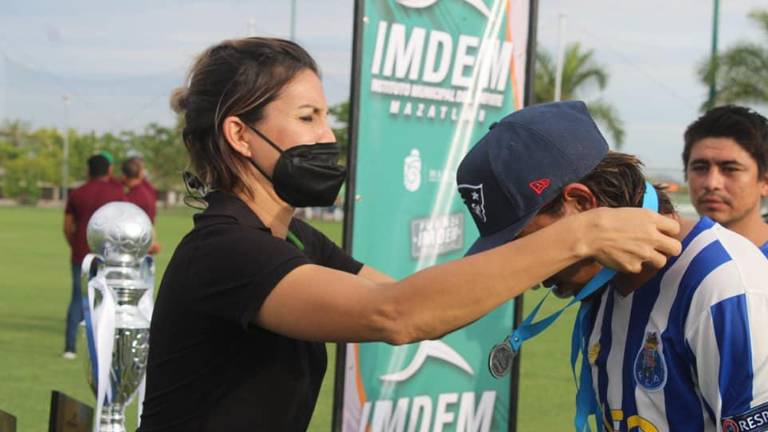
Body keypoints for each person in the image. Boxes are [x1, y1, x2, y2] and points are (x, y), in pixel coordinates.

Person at [137, 38, 681, 431]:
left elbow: (424, 301)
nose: (328, 136)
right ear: (239, 133)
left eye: (327, 117)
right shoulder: (225, 251)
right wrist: (579, 236)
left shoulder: (295, 240)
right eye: (308, 117)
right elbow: (396, 316)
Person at [458, 100, 768, 431]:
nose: (532, 277)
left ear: (582, 204)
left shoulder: (724, 284)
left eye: (527, 242)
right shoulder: (607, 279)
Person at [62, 154, 125, 359]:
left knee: (77, 300)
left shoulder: (77, 193)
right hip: (109, 256)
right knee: (107, 300)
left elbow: (67, 226)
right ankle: (104, 347)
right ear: (109, 170)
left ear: (88, 171)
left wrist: (76, 245)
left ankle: (70, 348)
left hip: (81, 255)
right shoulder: (117, 193)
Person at [683, 105, 768, 255]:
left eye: (730, 169)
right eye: (700, 167)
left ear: (765, 182)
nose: (711, 183)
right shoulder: (661, 260)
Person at [122, 156, 161, 254]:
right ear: (140, 173)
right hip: (143, 239)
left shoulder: (129, 196)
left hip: (134, 244)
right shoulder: (147, 189)